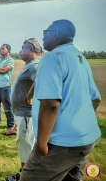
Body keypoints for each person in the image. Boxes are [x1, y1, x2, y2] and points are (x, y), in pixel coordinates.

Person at [21, 20, 102, 181]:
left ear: (56, 34)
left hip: (60, 144)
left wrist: (42, 144)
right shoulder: (80, 58)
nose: (43, 37)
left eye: (46, 32)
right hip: (86, 140)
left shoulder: (52, 58)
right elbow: (96, 99)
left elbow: (50, 105)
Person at [5, 38, 42, 181]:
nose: (20, 51)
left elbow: (40, 80)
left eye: (23, 48)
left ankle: (26, 176)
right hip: (22, 114)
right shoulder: (29, 65)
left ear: (31, 49)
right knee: (24, 144)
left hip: (27, 115)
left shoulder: (35, 66)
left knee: (27, 145)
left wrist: (29, 96)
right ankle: (25, 173)